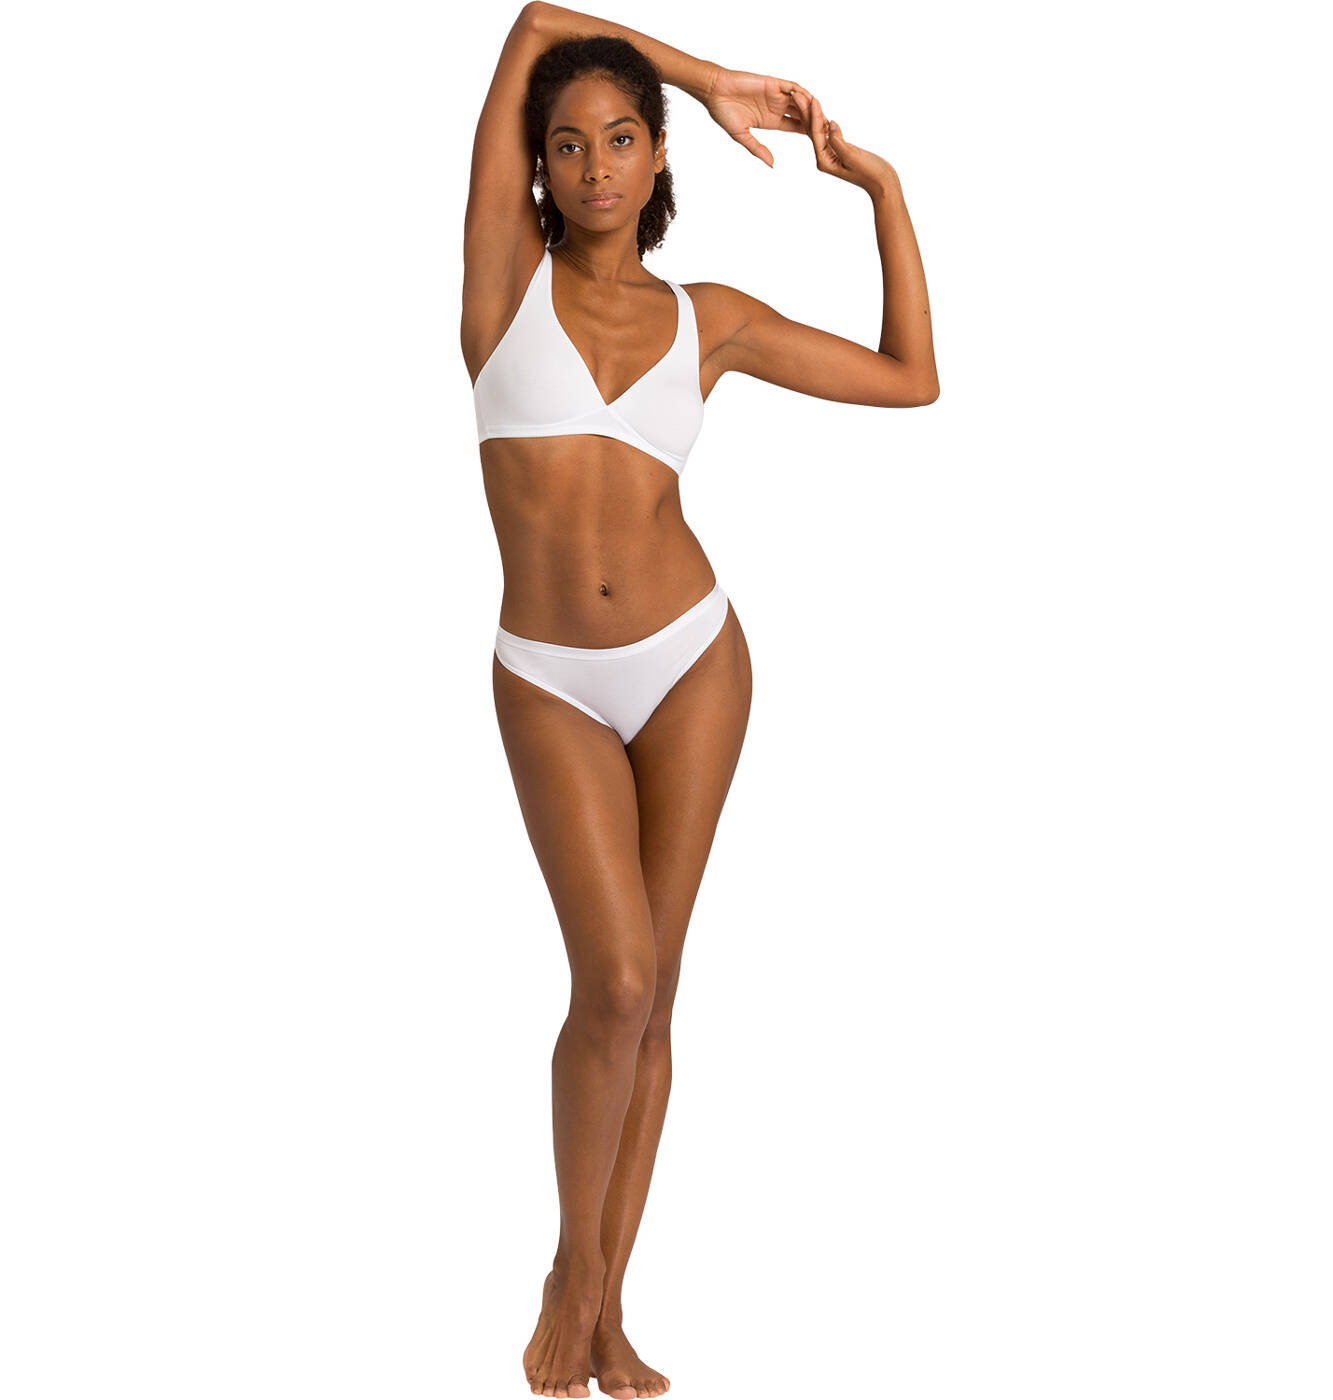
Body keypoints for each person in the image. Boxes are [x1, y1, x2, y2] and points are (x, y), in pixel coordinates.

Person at [460, 5, 939, 1395]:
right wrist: (711, 73)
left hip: (693, 663)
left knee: (656, 992)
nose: (595, 166)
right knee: (610, 981)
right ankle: (572, 1270)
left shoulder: (704, 320)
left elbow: (911, 379)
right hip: (549, 676)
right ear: (537, 168)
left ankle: (610, 1309)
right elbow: (535, 19)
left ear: (658, 158)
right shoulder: (502, 283)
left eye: (622, 138)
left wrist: (881, 190)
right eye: (568, 145)